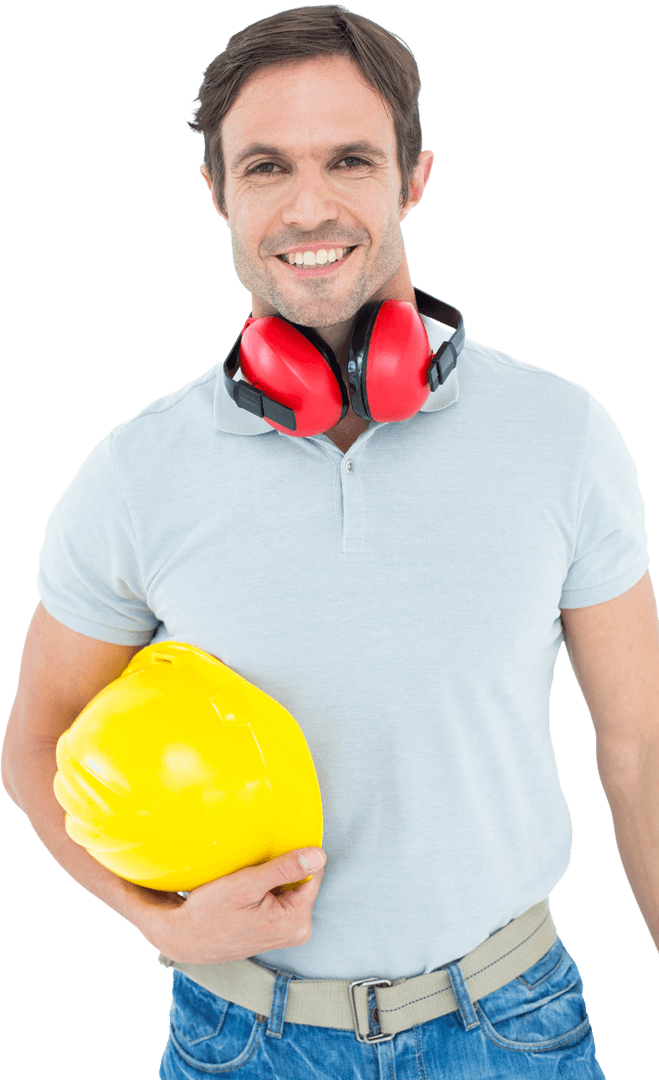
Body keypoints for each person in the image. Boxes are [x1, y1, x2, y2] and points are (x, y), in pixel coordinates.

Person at [2, 6, 656, 1078]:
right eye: (265, 167)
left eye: (349, 160)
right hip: (238, 1038)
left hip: (511, 1028)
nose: (309, 206)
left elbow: (639, 750)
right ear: (217, 193)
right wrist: (154, 922)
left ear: (411, 180)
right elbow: (37, 745)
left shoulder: (561, 434)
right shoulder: (136, 470)